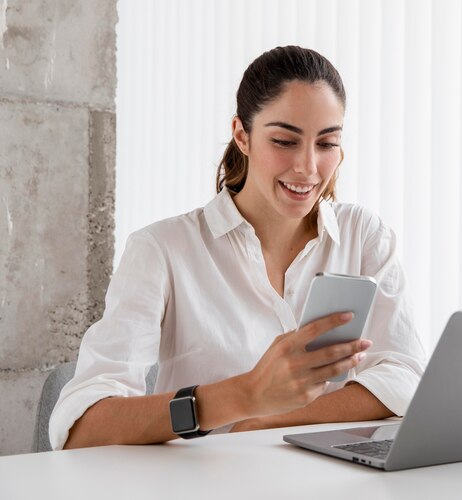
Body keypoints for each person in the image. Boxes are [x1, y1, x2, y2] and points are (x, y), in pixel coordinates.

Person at [49, 46, 427, 450]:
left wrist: (273, 419)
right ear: (241, 135)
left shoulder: (363, 235)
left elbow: (406, 376)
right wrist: (242, 396)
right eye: (284, 140)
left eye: (326, 143)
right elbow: (80, 428)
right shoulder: (162, 251)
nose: (307, 167)